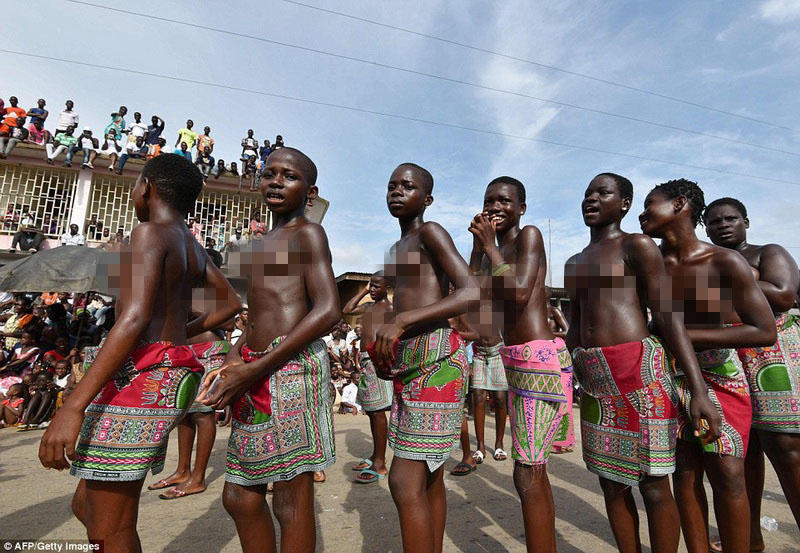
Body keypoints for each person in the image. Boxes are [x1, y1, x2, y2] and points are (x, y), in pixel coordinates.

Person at [38, 153, 243, 552]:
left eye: (134, 185)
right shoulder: (191, 244)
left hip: (147, 375)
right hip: (169, 371)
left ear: (146, 188)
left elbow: (132, 319)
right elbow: (230, 303)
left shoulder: (149, 232)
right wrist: (180, 333)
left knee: (109, 524)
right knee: (87, 504)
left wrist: (71, 407)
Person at [565, 173, 721, 553]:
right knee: (610, 482)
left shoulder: (636, 245)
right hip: (595, 380)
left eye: (603, 193)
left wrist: (699, 390)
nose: (591, 199)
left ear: (624, 204)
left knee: (653, 483)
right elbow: (574, 325)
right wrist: (567, 374)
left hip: (640, 372)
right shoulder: (573, 261)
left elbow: (667, 317)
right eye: (587, 193)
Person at [198, 147, 339, 553]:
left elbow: (328, 309)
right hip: (253, 367)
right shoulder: (261, 242)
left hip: (291, 369)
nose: (276, 181)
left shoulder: (308, 233)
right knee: (240, 497)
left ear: (310, 192)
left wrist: (254, 367)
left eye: (288, 176)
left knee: (291, 503)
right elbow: (258, 318)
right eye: (269, 173)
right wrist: (232, 360)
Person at [639, 178, 776, 553]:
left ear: (680, 204)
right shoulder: (650, 265)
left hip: (720, 378)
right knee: (684, 474)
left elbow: (763, 330)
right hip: (666, 376)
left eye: (650, 204)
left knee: (729, 472)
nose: (642, 213)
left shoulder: (722, 261)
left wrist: (686, 336)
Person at [370, 162, 478, 553]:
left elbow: (469, 291)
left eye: (407, 186)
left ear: (427, 199)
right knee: (430, 475)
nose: (396, 191)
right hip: (410, 361)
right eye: (391, 185)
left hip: (438, 359)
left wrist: (403, 319)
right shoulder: (397, 247)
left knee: (403, 479)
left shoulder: (430, 232)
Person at [466, 176, 568, 552]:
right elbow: (472, 293)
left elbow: (521, 291)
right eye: (489, 199)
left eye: (504, 201)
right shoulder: (493, 246)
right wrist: (479, 249)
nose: (495, 206)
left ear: (521, 208)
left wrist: (490, 248)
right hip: (513, 359)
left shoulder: (529, 237)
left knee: (528, 469)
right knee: (529, 469)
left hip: (537, 358)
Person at [704, 197, 800, 551]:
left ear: (746, 221)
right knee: (744, 454)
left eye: (731, 218)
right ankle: (750, 538)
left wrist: (732, 278)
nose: (723, 225)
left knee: (786, 449)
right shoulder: (711, 264)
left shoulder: (766, 253)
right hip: (732, 360)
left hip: (774, 359)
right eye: (714, 222)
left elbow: (785, 294)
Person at [148, 323, 231, 500]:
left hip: (211, 350)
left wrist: (188, 312)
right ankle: (183, 471)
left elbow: (229, 318)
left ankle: (198, 478)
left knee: (203, 412)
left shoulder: (204, 294)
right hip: (186, 349)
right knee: (184, 413)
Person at [343, 272, 394, 483]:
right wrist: (363, 290)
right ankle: (375, 455)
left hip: (377, 361)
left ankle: (380, 463)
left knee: (378, 411)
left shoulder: (390, 310)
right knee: (372, 412)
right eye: (370, 286)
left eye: (376, 286)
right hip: (365, 361)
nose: (372, 289)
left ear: (387, 287)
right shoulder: (369, 307)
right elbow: (346, 310)